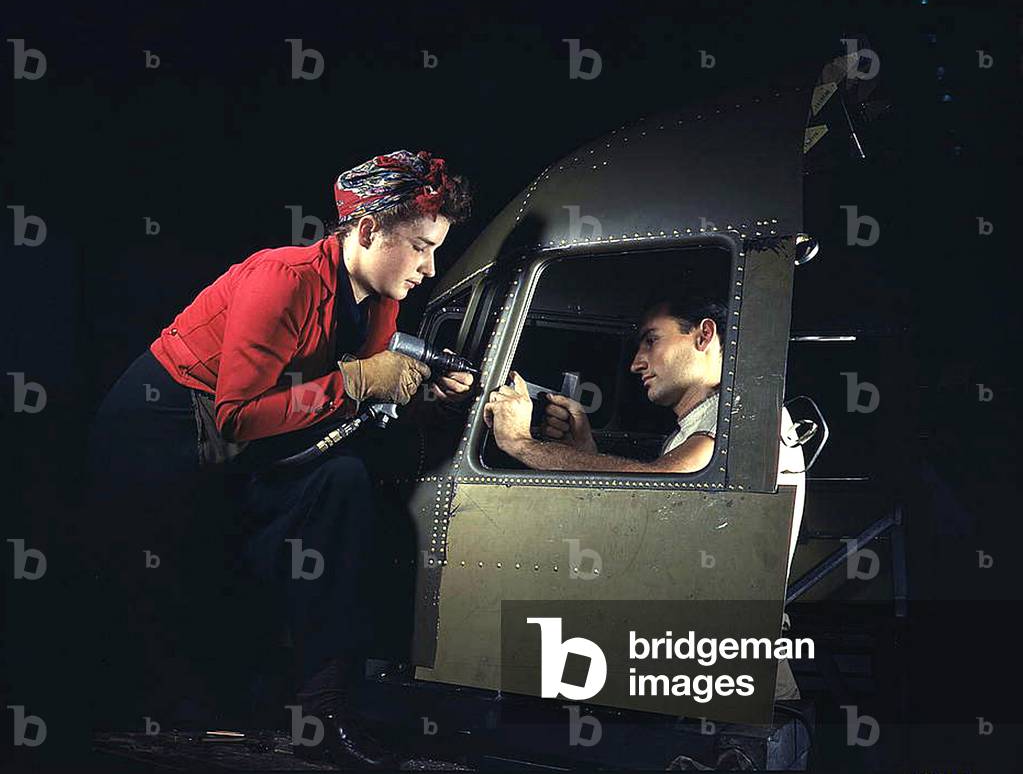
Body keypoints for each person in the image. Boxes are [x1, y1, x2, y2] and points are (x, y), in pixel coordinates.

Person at [88, 150, 475, 767]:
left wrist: (422, 392)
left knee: (341, 484)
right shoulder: (283, 276)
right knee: (173, 581)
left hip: (245, 433)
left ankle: (322, 714)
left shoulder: (381, 300)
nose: (430, 268)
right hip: (163, 422)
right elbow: (237, 415)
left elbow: (348, 400)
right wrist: (355, 382)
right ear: (370, 230)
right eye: (422, 247)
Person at [484, 293, 805, 700]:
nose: (636, 362)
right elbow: (662, 516)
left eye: (651, 340)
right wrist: (584, 451)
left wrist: (521, 444)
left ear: (704, 335)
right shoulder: (703, 422)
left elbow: (665, 485)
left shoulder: (743, 410)